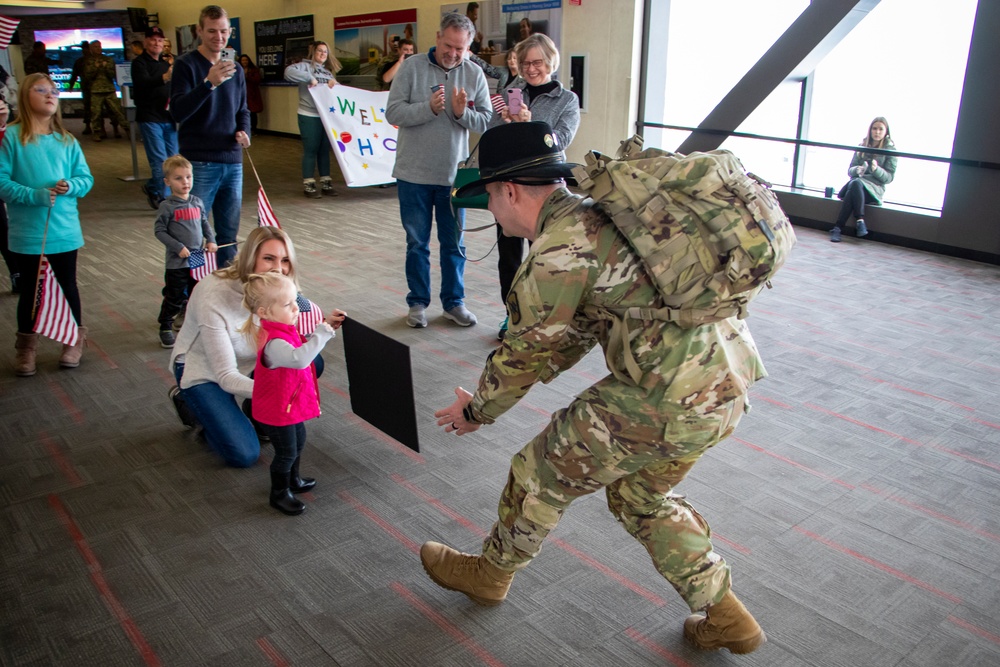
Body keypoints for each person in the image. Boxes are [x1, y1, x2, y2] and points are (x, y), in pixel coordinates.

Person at [424, 121, 768, 656]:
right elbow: (578, 330)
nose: (491, 210)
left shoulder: (560, 249)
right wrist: (529, 377)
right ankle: (728, 616)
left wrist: (480, 411)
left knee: (539, 471)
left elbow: (526, 350)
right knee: (641, 498)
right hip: (724, 385)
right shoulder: (599, 214)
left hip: (668, 396)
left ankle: (490, 575)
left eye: (490, 196)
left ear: (510, 191)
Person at [169, 225, 346, 468]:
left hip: (253, 361)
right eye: (268, 258)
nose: (278, 268)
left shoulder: (277, 286)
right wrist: (277, 394)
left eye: (285, 260)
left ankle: (256, 412)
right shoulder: (214, 296)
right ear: (250, 258)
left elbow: (290, 342)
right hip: (206, 371)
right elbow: (226, 375)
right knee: (243, 454)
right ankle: (191, 403)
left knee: (313, 362)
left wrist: (324, 328)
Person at [385, 12, 492, 329]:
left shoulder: (474, 74)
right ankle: (417, 303)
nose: (453, 54)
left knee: (454, 245)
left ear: (468, 47)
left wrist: (461, 114)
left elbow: (485, 121)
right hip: (412, 175)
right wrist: (427, 109)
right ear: (437, 37)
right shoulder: (412, 67)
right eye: (449, 45)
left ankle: (454, 303)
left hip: (452, 178)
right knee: (417, 244)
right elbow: (393, 111)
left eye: (461, 48)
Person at [0, 74, 94, 377]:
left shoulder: (67, 141)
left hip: (64, 230)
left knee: (68, 286)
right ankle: (26, 347)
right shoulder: (11, 137)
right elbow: (1, 182)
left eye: (54, 91)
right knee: (31, 289)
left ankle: (73, 341)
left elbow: (86, 179)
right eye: (41, 90)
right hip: (27, 232)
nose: (50, 95)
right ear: (25, 96)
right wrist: (34, 195)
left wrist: (72, 186)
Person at [490, 33, 579, 340]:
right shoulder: (511, 91)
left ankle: (544, 318)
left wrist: (530, 126)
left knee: (544, 256)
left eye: (537, 62)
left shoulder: (567, 100)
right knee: (510, 257)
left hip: (545, 191)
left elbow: (562, 140)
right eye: (526, 62)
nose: (531, 69)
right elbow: (490, 133)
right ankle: (511, 316)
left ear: (550, 62)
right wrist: (504, 121)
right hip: (508, 189)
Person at [240, 272, 338, 515]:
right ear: (263, 312)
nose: (296, 308)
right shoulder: (274, 342)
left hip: (287, 405)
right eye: (287, 304)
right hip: (277, 410)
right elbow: (301, 358)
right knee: (285, 453)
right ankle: (279, 493)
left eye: (296, 300)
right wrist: (322, 335)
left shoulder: (284, 329)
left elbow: (302, 345)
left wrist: (322, 327)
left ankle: (293, 480)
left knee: (299, 441)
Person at [170, 4, 251, 269]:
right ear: (199, 31)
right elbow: (179, 111)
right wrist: (209, 84)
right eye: (212, 31)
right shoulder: (186, 65)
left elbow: (242, 109)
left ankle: (224, 289)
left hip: (232, 159)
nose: (219, 37)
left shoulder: (236, 69)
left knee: (228, 234)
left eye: (224, 31)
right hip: (200, 161)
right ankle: (189, 292)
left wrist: (244, 132)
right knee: (193, 232)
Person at [154, 155, 217, 349]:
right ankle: (165, 325)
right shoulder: (167, 206)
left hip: (197, 260)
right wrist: (177, 247)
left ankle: (190, 322)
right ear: (167, 182)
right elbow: (159, 231)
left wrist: (211, 240)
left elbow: (204, 223)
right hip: (177, 262)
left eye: (188, 177)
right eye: (178, 178)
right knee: (174, 295)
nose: (185, 182)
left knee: (195, 293)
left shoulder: (197, 202)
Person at [284, 41, 342, 198]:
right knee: (311, 149)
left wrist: (334, 85)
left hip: (325, 116)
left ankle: (326, 182)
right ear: (313, 52)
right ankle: (309, 183)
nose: (323, 54)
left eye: (325, 52)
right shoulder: (303, 66)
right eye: (320, 51)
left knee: (324, 150)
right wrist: (309, 78)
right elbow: (288, 73)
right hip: (308, 114)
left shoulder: (328, 73)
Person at [132, 26, 178, 210]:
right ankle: (166, 200)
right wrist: (165, 77)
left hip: (168, 118)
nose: (156, 43)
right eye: (153, 39)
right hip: (149, 118)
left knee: (174, 161)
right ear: (146, 42)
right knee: (160, 162)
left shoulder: (165, 64)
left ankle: (152, 187)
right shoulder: (139, 64)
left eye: (160, 40)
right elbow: (143, 83)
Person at [830, 116, 896, 243]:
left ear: (886, 132)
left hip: (874, 190)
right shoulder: (862, 146)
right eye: (874, 128)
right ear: (870, 130)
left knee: (854, 185)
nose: (877, 132)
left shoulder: (890, 151)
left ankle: (838, 227)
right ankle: (859, 221)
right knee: (855, 183)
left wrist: (876, 170)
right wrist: (857, 170)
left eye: (880, 129)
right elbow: (850, 170)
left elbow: (889, 178)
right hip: (858, 186)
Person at [84, 40, 127, 142]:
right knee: (96, 114)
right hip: (95, 91)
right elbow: (87, 76)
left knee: (118, 112)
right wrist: (96, 67)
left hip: (109, 90)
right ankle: (97, 132)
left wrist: (105, 67)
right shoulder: (88, 61)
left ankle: (126, 129)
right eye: (95, 47)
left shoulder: (108, 60)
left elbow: (113, 75)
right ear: (91, 49)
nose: (98, 48)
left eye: (99, 46)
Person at [68, 42, 92, 135]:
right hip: (86, 88)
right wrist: (71, 86)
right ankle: (88, 126)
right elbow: (74, 75)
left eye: (86, 48)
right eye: (84, 49)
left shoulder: (96, 60)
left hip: (97, 88)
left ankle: (100, 128)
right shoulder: (80, 61)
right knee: (87, 107)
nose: (85, 50)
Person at [240, 54, 263, 134]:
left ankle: (254, 129)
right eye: (243, 60)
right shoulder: (237, 69)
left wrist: (247, 76)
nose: (244, 62)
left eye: (246, 60)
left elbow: (257, 80)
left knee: (252, 112)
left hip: (252, 94)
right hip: (241, 94)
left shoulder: (253, 70)